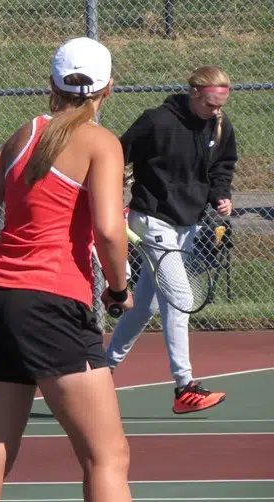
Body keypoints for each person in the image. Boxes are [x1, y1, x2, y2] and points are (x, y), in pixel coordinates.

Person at [0, 38, 174, 502]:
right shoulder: (101, 142)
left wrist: (3, 269)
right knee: (107, 454)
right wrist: (119, 291)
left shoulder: (24, 134)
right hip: (50, 305)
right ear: (107, 89)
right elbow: (106, 231)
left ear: (50, 84)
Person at [106, 66, 237, 414]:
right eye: (210, 104)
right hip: (152, 220)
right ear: (194, 93)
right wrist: (112, 193)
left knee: (146, 306)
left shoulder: (220, 126)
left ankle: (101, 373)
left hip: (187, 223)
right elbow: (116, 154)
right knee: (180, 299)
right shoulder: (156, 121)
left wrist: (220, 195)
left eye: (221, 104)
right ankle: (185, 387)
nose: (216, 111)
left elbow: (221, 166)